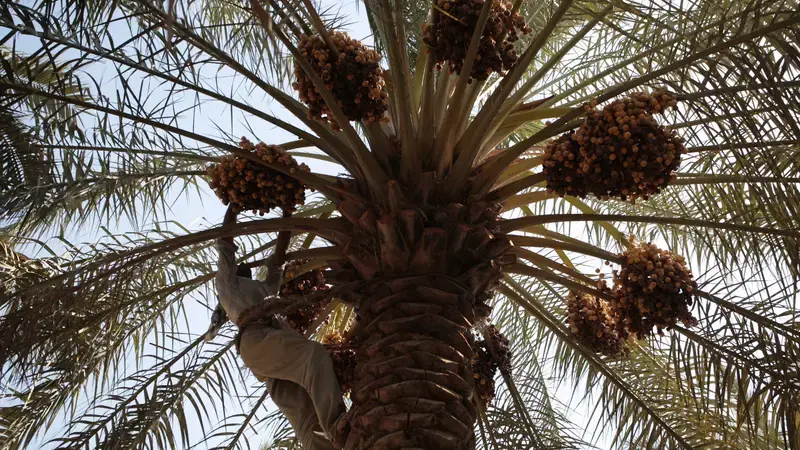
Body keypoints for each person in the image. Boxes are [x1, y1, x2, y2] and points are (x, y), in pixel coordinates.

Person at [214, 206, 346, 450]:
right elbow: (225, 242)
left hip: (271, 342)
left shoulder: (265, 290)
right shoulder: (227, 285)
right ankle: (339, 425)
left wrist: (288, 214)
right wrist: (233, 208)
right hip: (256, 339)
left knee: (304, 412)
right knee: (314, 357)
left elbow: (279, 256)